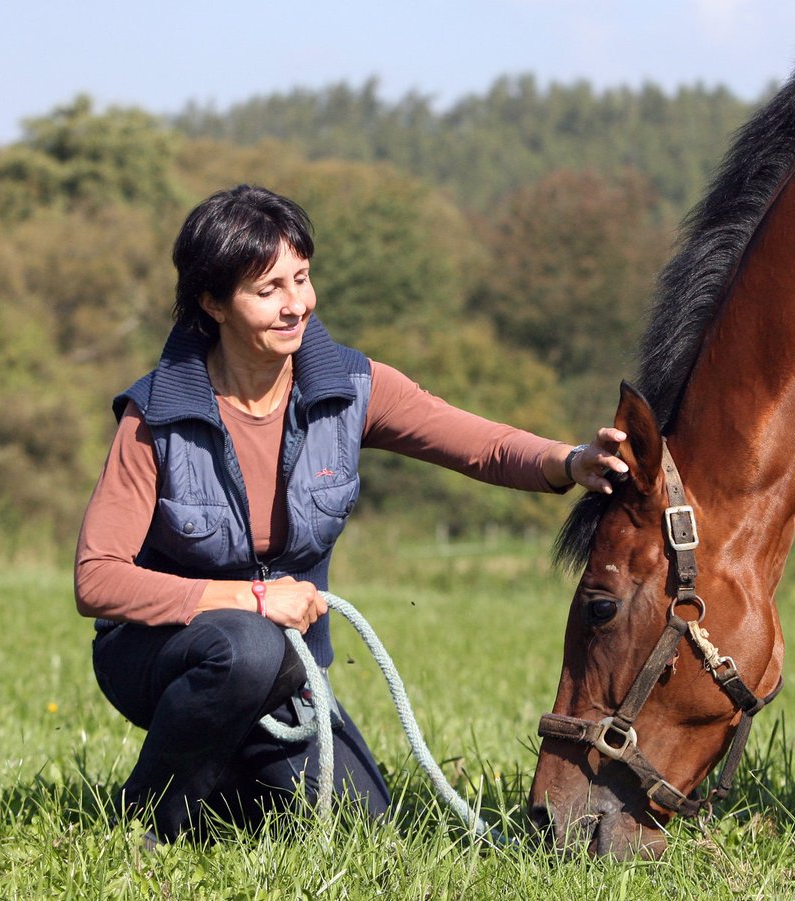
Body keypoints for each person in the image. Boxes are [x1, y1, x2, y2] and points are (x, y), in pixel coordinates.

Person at [74, 184, 629, 845]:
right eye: (268, 288)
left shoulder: (349, 385)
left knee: (365, 826)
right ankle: (151, 815)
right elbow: (97, 579)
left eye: (301, 278)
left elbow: (479, 443)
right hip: (162, 656)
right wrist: (249, 598)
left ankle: (224, 776)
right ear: (213, 301)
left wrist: (570, 460)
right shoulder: (155, 415)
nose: (295, 304)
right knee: (246, 647)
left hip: (290, 671)